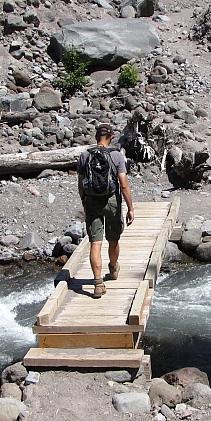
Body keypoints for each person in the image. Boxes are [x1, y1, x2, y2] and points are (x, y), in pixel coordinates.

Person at [77, 124, 134, 298]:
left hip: (92, 201)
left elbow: (80, 183)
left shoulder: (85, 155)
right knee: (113, 238)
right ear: (110, 137)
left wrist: (84, 201)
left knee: (95, 242)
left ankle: (97, 284)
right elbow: (123, 184)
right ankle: (113, 268)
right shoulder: (116, 156)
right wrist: (130, 208)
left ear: (96, 137)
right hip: (112, 201)